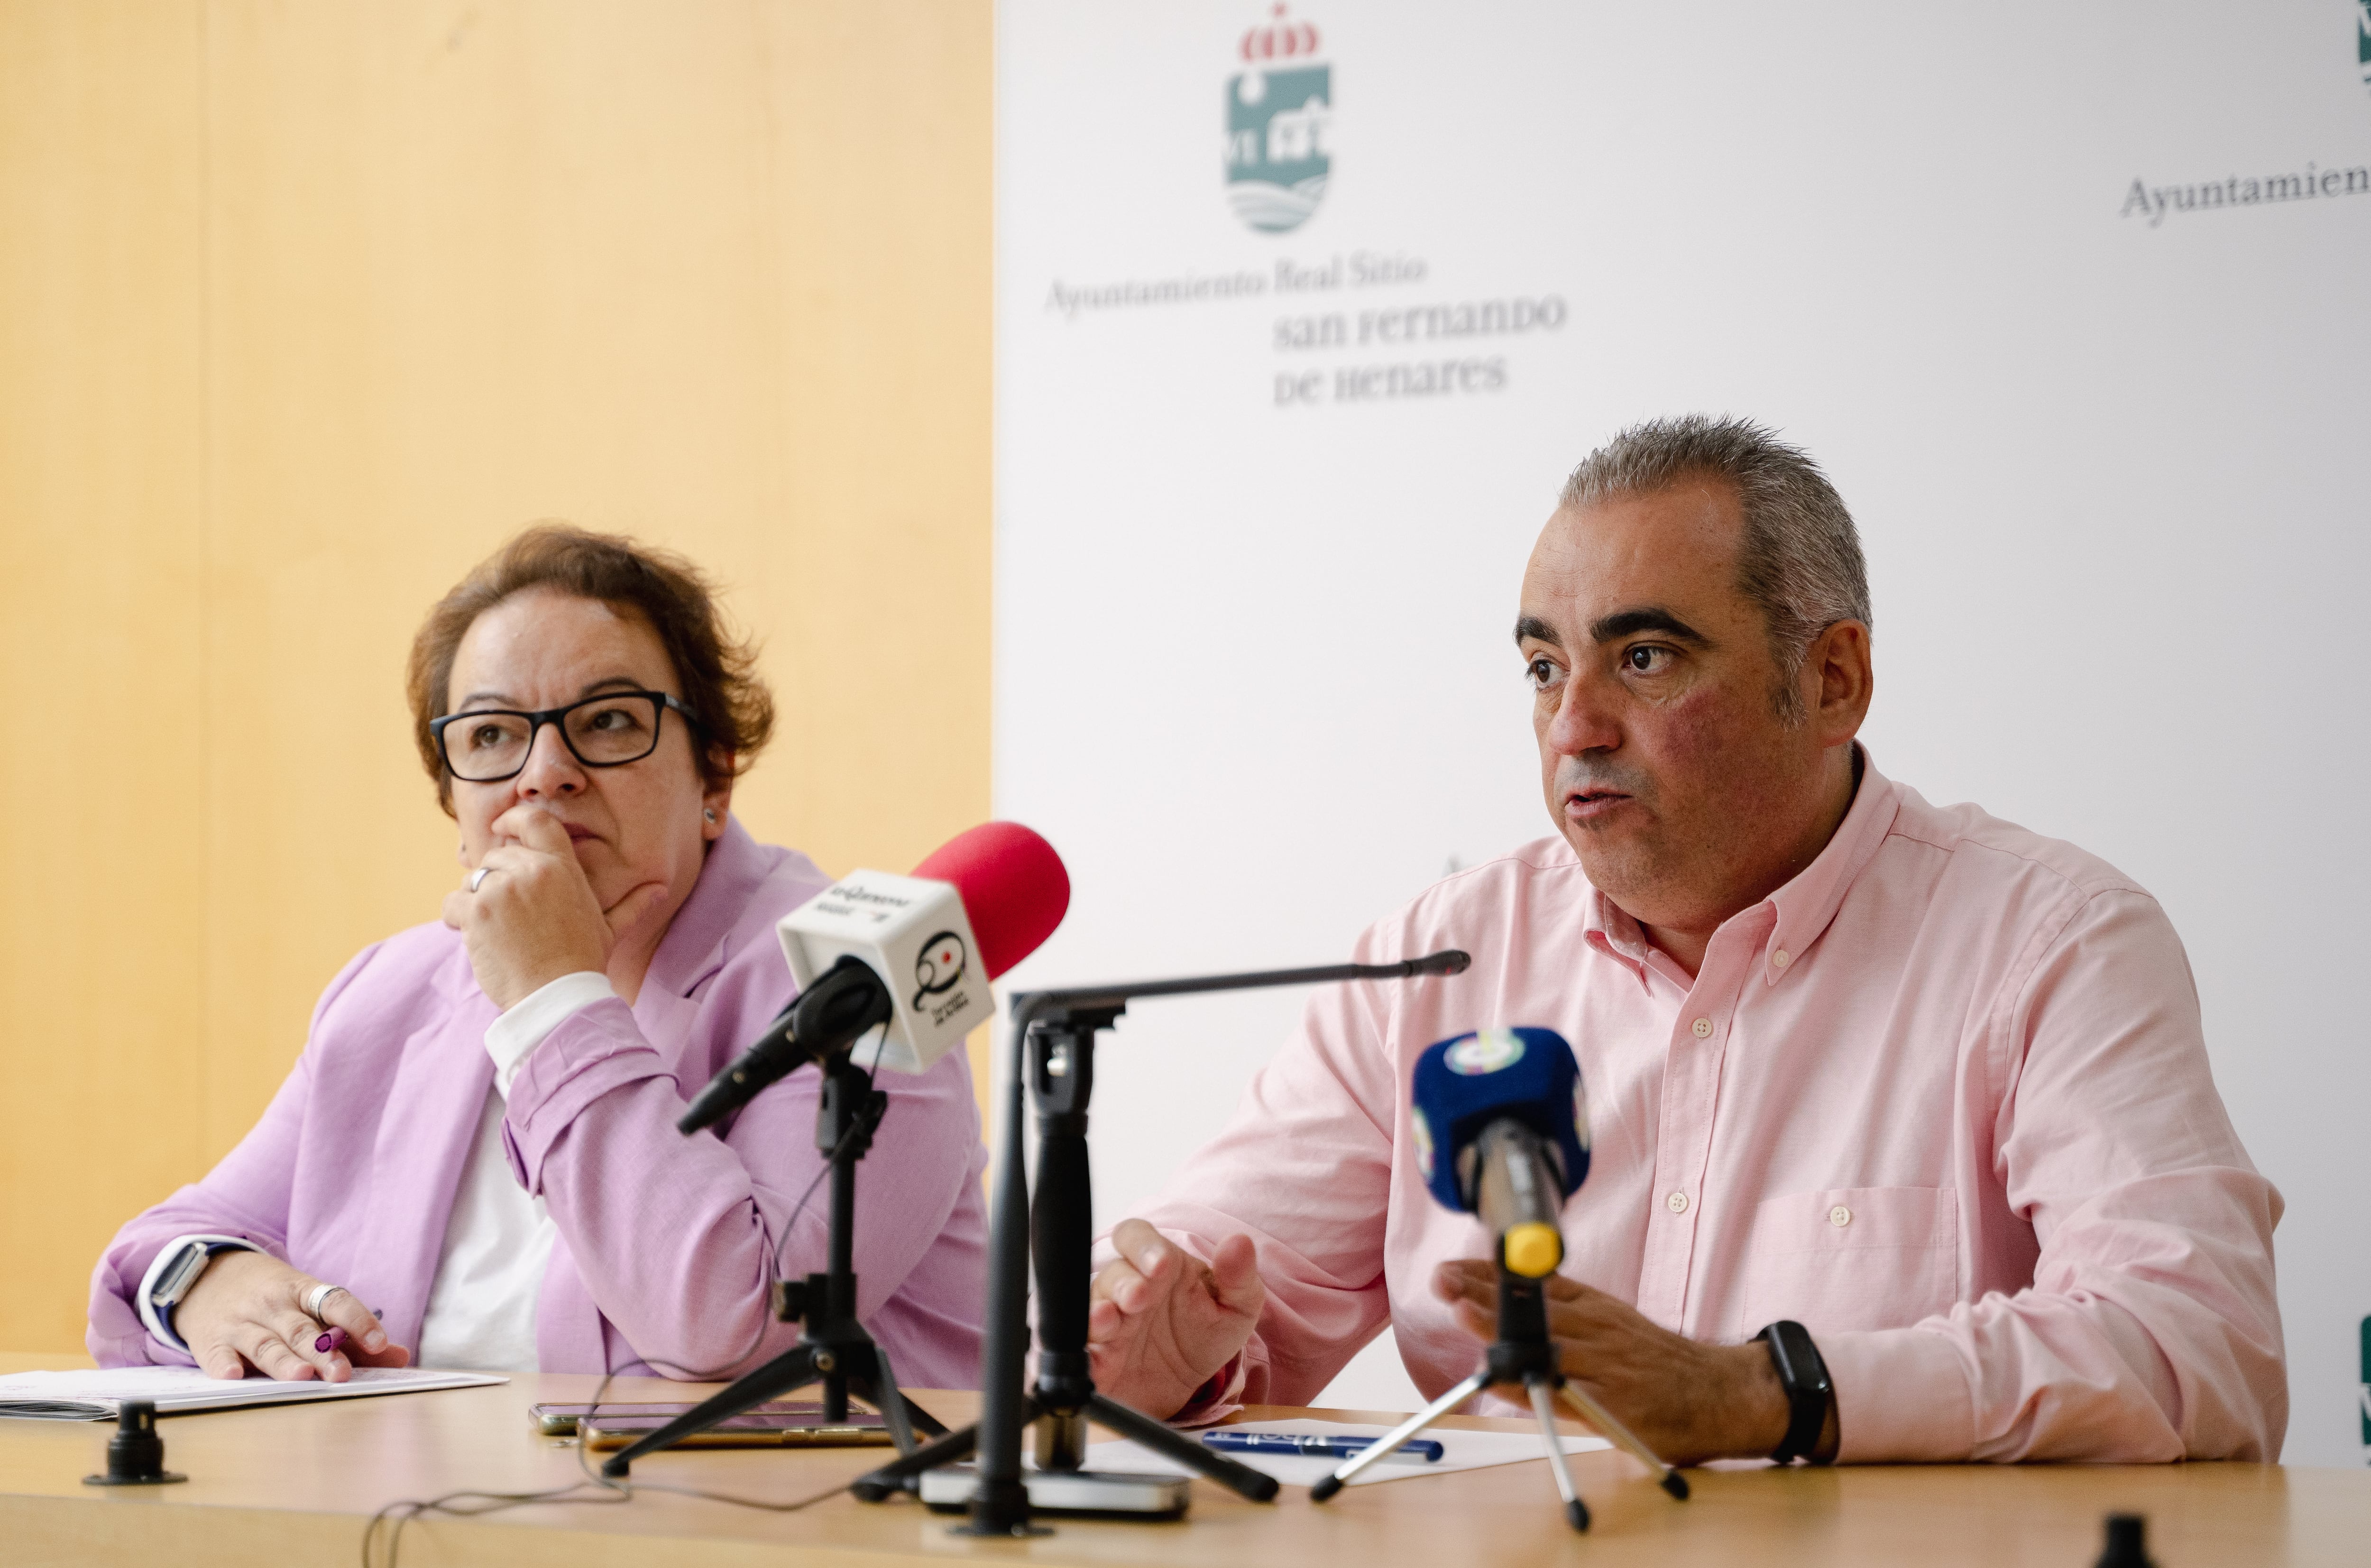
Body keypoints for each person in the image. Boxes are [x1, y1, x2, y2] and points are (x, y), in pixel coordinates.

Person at [1086, 416, 2285, 1464]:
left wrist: (1761, 1393)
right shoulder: (1433, 965)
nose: (1574, 727)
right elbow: (1218, 1305)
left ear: (1832, 679)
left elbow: (2197, 1344)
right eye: (1544, 668)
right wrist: (1163, 1355)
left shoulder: (2051, 942)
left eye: (1643, 658)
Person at [88, 526, 987, 1385]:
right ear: (454, 804)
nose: (544, 771)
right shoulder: (394, 993)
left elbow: (734, 1326)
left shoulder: (855, 978)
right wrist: (210, 1281)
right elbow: (171, 1242)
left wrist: (554, 997)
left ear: (713, 776)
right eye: (490, 735)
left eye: (605, 722)